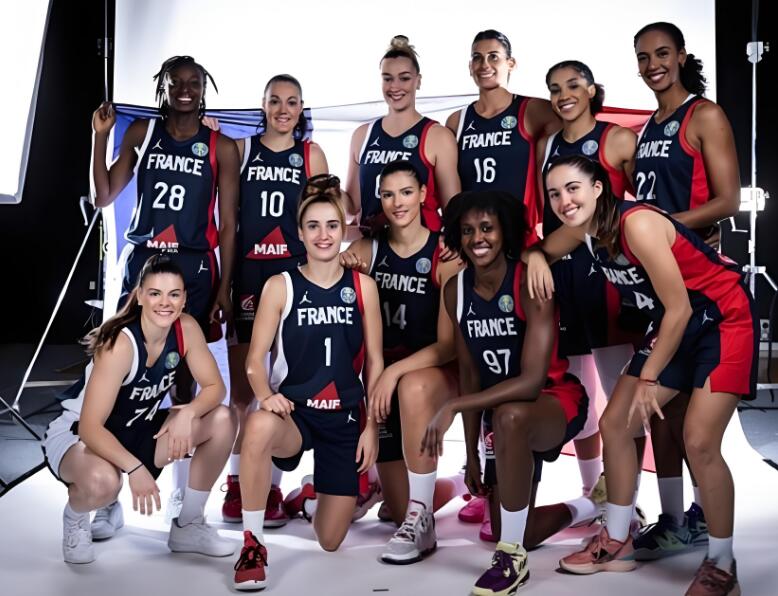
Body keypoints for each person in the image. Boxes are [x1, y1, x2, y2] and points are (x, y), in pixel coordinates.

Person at [530, 155, 754, 595]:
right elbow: (536, 249)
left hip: (721, 319)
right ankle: (617, 542)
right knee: (616, 424)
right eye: (554, 194)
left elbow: (680, 308)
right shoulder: (581, 230)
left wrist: (649, 377)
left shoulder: (638, 225)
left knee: (699, 441)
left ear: (598, 188)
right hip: (675, 325)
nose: (563, 201)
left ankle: (722, 566)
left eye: (573, 188)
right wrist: (537, 257)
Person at [90, 55, 240, 516]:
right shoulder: (143, 132)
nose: (186, 90)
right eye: (177, 83)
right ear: (165, 87)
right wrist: (100, 137)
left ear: (204, 89)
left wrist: (224, 287)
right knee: (124, 370)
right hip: (145, 263)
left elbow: (228, 223)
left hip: (194, 269)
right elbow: (104, 195)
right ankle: (108, 493)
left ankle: (180, 491)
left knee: (184, 380)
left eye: (194, 83)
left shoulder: (221, 147)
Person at [421, 191, 587, 595]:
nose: (477, 238)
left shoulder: (528, 281)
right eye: (467, 231)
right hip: (501, 417)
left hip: (553, 401)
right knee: (513, 527)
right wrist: (471, 454)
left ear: (505, 231)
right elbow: (470, 373)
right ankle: (591, 505)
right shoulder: (456, 290)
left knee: (510, 414)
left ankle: (512, 561)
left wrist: (453, 405)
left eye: (487, 228)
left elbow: (531, 381)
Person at [232, 175, 382, 591]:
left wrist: (372, 425)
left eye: (332, 225)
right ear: (299, 232)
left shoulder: (363, 286)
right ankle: (252, 544)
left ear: (343, 229)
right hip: (295, 416)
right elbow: (254, 361)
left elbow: (375, 362)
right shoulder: (280, 286)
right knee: (258, 425)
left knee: (330, 541)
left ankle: (308, 496)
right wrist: (266, 396)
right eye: (313, 226)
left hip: (343, 419)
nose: (323, 235)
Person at [42, 254, 237, 564]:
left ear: (184, 299)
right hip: (78, 434)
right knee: (104, 484)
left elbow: (216, 387)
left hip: (136, 426)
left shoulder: (185, 328)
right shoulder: (120, 344)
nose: (165, 303)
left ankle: (189, 524)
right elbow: (90, 428)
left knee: (223, 419)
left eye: (174, 294)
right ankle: (78, 516)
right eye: (155, 293)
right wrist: (135, 469)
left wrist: (188, 412)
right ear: (140, 296)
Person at [631, 21, 740, 561]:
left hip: (704, 284)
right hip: (662, 283)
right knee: (661, 414)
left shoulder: (705, 115)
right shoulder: (648, 127)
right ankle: (676, 520)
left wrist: (663, 227)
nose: (653, 64)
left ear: (680, 56)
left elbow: (727, 200)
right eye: (643, 56)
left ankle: (706, 524)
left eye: (662, 53)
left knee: (696, 423)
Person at [445, 30, 560, 533]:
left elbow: (576, 130)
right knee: (483, 352)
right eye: (477, 57)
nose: (485, 63)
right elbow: (451, 192)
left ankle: (594, 486)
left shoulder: (531, 111)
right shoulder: (458, 122)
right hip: (479, 249)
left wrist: (541, 242)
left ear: (511, 63)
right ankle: (488, 476)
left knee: (555, 361)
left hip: (523, 248)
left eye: (494, 56)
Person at [340, 160, 461, 562]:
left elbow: (447, 347)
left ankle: (422, 519)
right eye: (388, 194)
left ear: (424, 194)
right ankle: (439, 489)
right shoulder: (366, 250)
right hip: (382, 380)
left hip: (433, 374)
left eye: (406, 192)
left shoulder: (444, 253)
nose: (398, 202)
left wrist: (393, 372)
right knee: (395, 509)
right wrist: (345, 270)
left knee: (410, 386)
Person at [222, 74, 329, 528]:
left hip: (294, 278)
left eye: (291, 102)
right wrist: (225, 286)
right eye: (275, 101)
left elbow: (325, 215)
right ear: (262, 105)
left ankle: (270, 487)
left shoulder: (311, 154)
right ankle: (235, 484)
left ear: (301, 108)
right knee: (245, 389)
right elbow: (227, 219)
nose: (283, 109)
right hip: (250, 274)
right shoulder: (240, 149)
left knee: (286, 384)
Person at [538, 60, 639, 514]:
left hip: (609, 279)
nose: (564, 95)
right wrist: (538, 257)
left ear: (592, 89)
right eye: (555, 88)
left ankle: (627, 503)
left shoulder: (617, 139)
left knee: (621, 396)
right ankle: (593, 493)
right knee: (577, 394)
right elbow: (547, 215)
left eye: (573, 85)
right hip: (564, 279)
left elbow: (644, 207)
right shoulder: (548, 144)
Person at [345, 35, 459, 235]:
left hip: (421, 248)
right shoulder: (362, 135)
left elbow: (454, 210)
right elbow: (351, 208)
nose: (395, 86)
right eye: (387, 78)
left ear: (418, 81)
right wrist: (325, 190)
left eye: (404, 78)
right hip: (373, 248)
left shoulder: (438, 136)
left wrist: (451, 240)